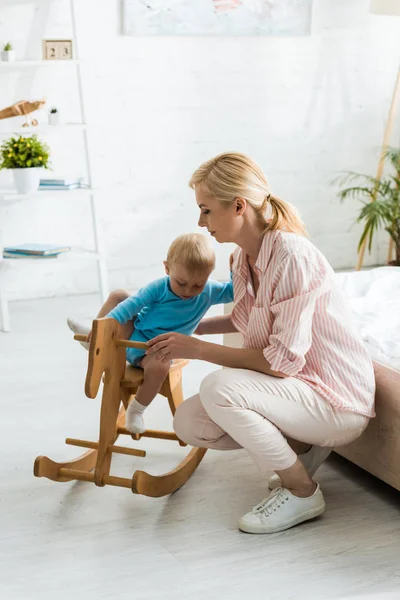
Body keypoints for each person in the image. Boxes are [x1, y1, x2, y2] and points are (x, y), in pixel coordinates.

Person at [145, 152, 375, 535]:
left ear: (238, 206)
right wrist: (182, 329)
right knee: (190, 422)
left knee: (219, 386)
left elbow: (281, 362)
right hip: (301, 389)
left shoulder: (291, 256)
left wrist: (195, 348)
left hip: (338, 399)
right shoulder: (241, 258)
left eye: (205, 210)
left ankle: (302, 491)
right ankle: (301, 446)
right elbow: (243, 320)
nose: (200, 222)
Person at [68, 233, 233, 434]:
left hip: (157, 351)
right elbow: (130, 306)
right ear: (167, 268)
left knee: (161, 365)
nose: (188, 291)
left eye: (197, 284)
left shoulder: (210, 291)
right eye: (181, 283)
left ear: (209, 275)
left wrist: (236, 269)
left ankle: (136, 410)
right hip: (132, 335)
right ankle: (96, 336)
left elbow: (233, 292)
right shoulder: (159, 287)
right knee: (119, 296)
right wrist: (104, 327)